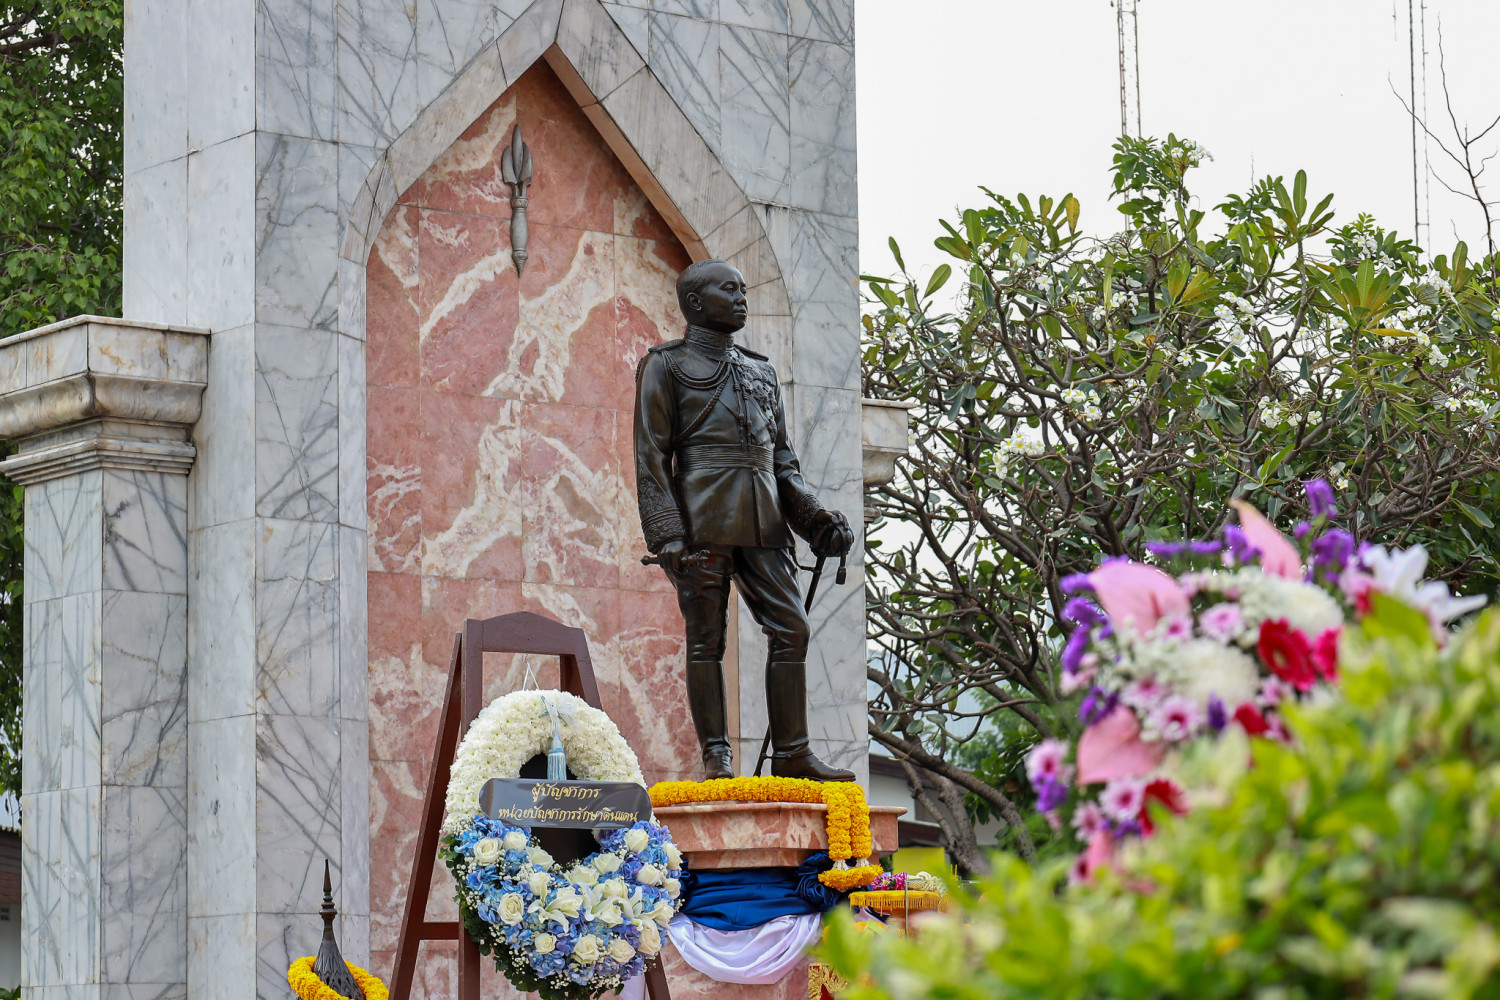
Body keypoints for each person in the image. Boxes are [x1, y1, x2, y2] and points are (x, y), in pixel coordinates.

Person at [634, 259, 856, 782]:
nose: (741, 298)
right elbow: (650, 454)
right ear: (694, 303)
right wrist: (666, 533)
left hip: (764, 524)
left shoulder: (761, 370)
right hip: (700, 525)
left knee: (792, 630)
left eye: (744, 289)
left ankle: (793, 753)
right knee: (706, 640)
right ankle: (718, 756)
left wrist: (816, 520)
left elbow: (782, 462)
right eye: (728, 290)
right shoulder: (665, 366)